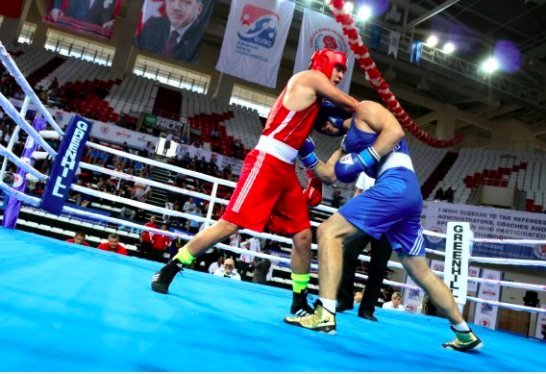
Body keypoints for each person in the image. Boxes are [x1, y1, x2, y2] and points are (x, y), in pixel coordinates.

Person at [151, 49, 358, 317]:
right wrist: (375, 116)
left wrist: (351, 126)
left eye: (343, 70)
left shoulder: (316, 97)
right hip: (266, 160)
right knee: (229, 224)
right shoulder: (310, 78)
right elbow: (352, 106)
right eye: (339, 68)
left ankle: (298, 301)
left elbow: (335, 124)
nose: (341, 75)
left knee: (303, 236)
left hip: (285, 168)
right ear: (324, 64)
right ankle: (169, 268)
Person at [283, 100, 483, 352]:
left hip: (396, 184)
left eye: (322, 123)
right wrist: (306, 152)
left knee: (327, 231)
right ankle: (464, 333)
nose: (325, 129)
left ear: (330, 115)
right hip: (406, 193)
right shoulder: (346, 144)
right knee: (418, 268)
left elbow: (395, 131)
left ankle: (325, 313)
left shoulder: (364, 109)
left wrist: (364, 158)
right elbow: (330, 175)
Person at [336, 172, 393, 322]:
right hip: (363, 220)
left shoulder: (398, 172)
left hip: (387, 224)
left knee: (378, 267)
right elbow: (359, 193)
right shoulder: (367, 171)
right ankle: (345, 300)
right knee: (347, 255)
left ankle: (367, 309)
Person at [134, 0, 208, 63]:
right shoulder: (151, 25)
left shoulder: (202, 38)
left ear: (199, 9)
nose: (176, 7)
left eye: (186, 2)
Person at [50, 0, 118, 30]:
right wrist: (56, 7)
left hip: (92, 29)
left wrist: (106, 21)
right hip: (69, 21)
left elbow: (109, 7)